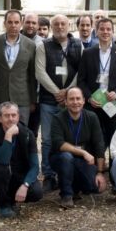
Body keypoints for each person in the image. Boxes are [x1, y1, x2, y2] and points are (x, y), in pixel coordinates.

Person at [36, 15, 83, 190]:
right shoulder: (43, 46)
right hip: (49, 100)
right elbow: (39, 72)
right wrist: (57, 92)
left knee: (69, 138)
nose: (60, 26)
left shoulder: (79, 45)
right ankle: (48, 175)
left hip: (71, 102)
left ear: (69, 25)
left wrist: (68, 92)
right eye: (56, 24)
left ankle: (69, 174)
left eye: (63, 23)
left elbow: (81, 71)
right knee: (47, 139)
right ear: (51, 27)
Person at [79, 17, 116, 153]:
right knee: (94, 141)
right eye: (102, 29)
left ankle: (113, 173)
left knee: (115, 142)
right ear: (96, 31)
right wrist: (89, 97)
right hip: (94, 105)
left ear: (113, 31)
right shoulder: (88, 53)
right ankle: (97, 171)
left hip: (114, 104)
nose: (105, 32)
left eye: (108, 29)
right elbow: (81, 80)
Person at [49, 87, 107, 208]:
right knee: (66, 157)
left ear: (84, 100)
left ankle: (75, 186)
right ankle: (67, 195)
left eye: (78, 98)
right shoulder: (58, 118)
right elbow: (58, 143)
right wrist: (83, 153)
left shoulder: (92, 117)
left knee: (96, 188)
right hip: (61, 158)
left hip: (82, 161)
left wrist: (100, 172)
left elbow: (99, 144)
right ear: (66, 102)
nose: (75, 102)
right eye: (71, 99)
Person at [0, 102, 44, 218]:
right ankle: (3, 204)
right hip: (0, 175)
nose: (10, 119)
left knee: (37, 192)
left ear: (18, 116)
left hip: (19, 174)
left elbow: (35, 166)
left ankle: (13, 198)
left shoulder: (27, 134)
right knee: (1, 169)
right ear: (0, 118)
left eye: (13, 115)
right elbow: (3, 159)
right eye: (6, 116)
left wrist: (25, 185)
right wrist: (8, 136)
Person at [0, 10, 37, 125]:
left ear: (21, 23)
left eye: (16, 22)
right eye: (10, 22)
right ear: (4, 23)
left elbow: (32, 75)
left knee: (22, 134)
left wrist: (33, 100)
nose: (13, 25)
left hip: (22, 99)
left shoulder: (30, 45)